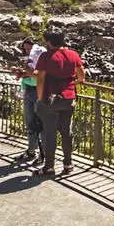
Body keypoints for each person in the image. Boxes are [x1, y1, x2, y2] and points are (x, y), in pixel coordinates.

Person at [32, 30, 85, 177]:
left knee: (50, 133)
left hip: (50, 98)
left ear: (48, 42)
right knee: (66, 131)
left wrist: (40, 98)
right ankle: (68, 163)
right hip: (69, 98)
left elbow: (40, 79)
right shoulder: (73, 54)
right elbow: (81, 76)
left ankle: (49, 167)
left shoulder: (46, 56)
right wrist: (73, 82)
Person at [13, 37, 46, 165]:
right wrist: (22, 72)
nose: (27, 51)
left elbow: (38, 73)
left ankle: (43, 153)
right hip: (28, 88)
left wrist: (26, 70)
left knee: (41, 123)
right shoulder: (29, 59)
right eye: (25, 49)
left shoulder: (40, 54)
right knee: (30, 121)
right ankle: (31, 150)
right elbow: (31, 72)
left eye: (29, 49)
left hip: (38, 90)